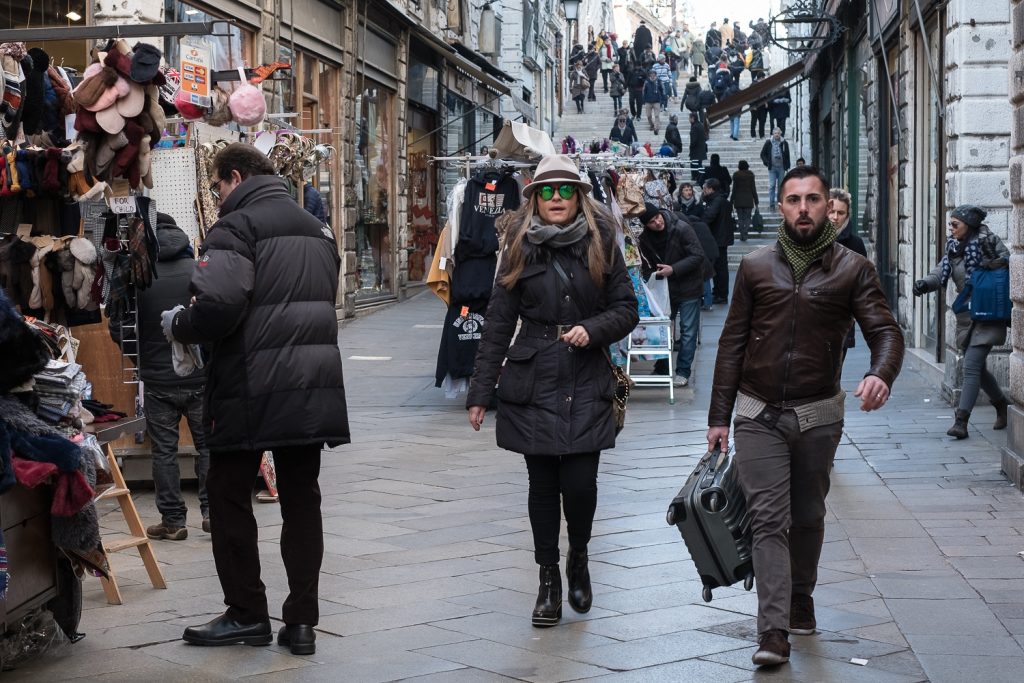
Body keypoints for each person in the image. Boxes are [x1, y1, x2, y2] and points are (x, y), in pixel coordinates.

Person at [707, 165, 904, 668]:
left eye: (812, 199)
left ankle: (801, 595)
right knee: (768, 520)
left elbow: (885, 331)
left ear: (827, 207)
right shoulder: (755, 266)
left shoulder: (852, 269)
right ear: (780, 206)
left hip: (818, 414)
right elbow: (731, 343)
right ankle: (772, 631)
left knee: (808, 516)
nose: (803, 208)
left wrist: (881, 373)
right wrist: (719, 417)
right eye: (793, 200)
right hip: (758, 412)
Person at [168, 143, 349, 655]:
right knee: (301, 497)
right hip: (311, 382)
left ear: (234, 176)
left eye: (217, 186)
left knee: (227, 493)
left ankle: (246, 613)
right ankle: (302, 622)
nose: (217, 196)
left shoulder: (235, 227)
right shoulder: (318, 228)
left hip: (249, 382)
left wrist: (180, 324)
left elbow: (218, 306)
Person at [466, 155, 639, 628]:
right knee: (542, 487)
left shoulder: (602, 241)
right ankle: (548, 579)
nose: (556, 198)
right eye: (547, 191)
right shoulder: (518, 246)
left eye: (565, 190)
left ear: (578, 196)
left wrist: (593, 328)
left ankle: (578, 556)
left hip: (586, 374)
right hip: (533, 375)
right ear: (535, 199)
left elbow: (627, 308)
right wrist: (480, 391)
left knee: (580, 485)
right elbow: (498, 321)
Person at [108, 213, 209, 541]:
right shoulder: (199, 270)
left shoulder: (138, 274)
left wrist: (142, 360)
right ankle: (213, 512)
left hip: (157, 380)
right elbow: (217, 317)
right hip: (200, 377)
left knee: (164, 451)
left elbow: (118, 326)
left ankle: (173, 521)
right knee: (207, 446)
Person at [913, 205, 1012, 439]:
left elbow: (1009, 262)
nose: (951, 228)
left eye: (955, 224)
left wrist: (991, 263)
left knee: (970, 366)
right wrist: (925, 284)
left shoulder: (989, 242)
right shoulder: (953, 248)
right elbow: (940, 272)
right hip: (967, 316)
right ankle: (1002, 405)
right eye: (950, 224)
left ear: (969, 225)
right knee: (978, 369)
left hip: (988, 313)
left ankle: (961, 421)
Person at [637, 203, 706, 386]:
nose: (657, 222)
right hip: (665, 289)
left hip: (689, 286)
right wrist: (652, 276)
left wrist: (673, 269)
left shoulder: (681, 228)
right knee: (662, 328)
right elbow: (647, 265)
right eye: (652, 222)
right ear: (646, 225)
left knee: (688, 331)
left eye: (657, 217)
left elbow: (698, 255)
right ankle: (663, 367)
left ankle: (683, 371)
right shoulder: (644, 239)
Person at [828, 189, 867, 350]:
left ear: (847, 215)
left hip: (842, 317)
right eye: (831, 212)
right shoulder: (810, 239)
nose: (835, 217)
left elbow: (863, 282)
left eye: (841, 213)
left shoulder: (856, 244)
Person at [700, 177, 733, 304]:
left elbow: (709, 217)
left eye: (704, 188)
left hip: (718, 238)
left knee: (720, 268)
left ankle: (721, 294)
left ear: (710, 189)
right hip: (721, 237)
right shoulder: (721, 199)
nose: (703, 190)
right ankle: (719, 292)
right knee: (720, 267)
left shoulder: (716, 201)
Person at [760, 128, 791, 208]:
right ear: (773, 134)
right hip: (772, 168)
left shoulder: (784, 143)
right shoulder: (768, 142)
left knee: (781, 185)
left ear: (780, 134)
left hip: (781, 167)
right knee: (772, 185)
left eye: (778, 133)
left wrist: (787, 166)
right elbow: (762, 154)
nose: (777, 134)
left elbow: (787, 155)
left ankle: (779, 201)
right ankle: (772, 203)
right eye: (775, 133)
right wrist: (767, 162)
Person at [731, 160, 759, 241]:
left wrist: (731, 200)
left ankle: (741, 233)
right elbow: (753, 189)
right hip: (748, 199)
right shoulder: (750, 175)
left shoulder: (736, 175)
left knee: (740, 218)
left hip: (738, 199)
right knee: (747, 218)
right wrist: (756, 201)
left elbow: (734, 189)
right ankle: (745, 231)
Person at [688, 112, 708, 181]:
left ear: (693, 118)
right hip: (701, 150)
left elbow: (694, 140)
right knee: (698, 164)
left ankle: (698, 178)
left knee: (696, 165)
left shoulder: (694, 127)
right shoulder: (700, 125)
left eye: (689, 118)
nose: (689, 120)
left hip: (696, 151)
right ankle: (698, 178)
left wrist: (691, 146)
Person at [643, 69, 663, 135]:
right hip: (648, 101)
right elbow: (644, 91)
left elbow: (662, 90)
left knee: (657, 115)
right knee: (648, 115)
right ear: (649, 75)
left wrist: (662, 99)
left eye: (653, 74)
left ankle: (656, 128)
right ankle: (651, 125)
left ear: (655, 74)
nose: (652, 75)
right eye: (651, 74)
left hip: (657, 101)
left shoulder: (659, 81)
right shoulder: (646, 82)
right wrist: (643, 100)